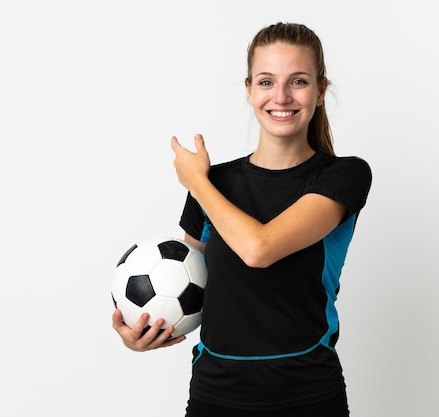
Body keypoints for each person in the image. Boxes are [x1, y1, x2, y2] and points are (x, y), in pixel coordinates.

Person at [112, 22, 372, 417]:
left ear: (320, 91)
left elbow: (259, 249)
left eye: (298, 81)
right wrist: (145, 330)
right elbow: (187, 279)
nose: (281, 96)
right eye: (267, 81)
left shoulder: (344, 176)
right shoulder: (215, 184)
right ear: (249, 90)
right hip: (214, 398)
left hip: (309, 397)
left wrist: (198, 182)